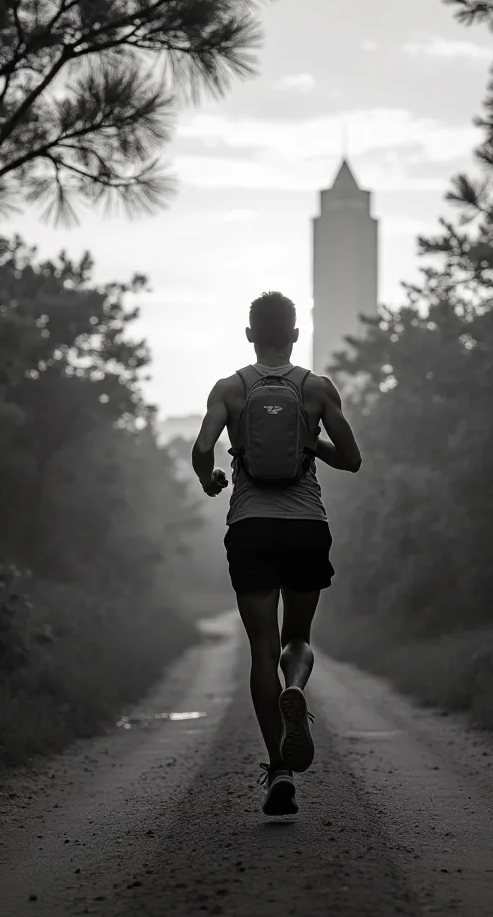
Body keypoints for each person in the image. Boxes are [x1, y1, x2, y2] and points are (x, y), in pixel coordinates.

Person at [191, 291, 362, 816]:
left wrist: (212, 479)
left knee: (261, 648)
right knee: (297, 639)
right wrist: (310, 446)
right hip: (306, 526)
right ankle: (297, 686)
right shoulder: (315, 387)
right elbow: (352, 459)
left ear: (249, 335)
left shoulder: (230, 388)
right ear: (293, 335)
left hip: (251, 526)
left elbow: (201, 449)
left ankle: (279, 770)